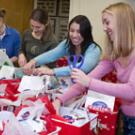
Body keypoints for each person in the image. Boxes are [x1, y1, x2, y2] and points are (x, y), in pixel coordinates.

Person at [53, 2, 135, 135]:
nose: (104, 28)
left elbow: (132, 91)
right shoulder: (114, 54)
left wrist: (89, 83)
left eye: (107, 22)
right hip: (127, 117)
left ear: (122, 22)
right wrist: (59, 99)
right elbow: (86, 80)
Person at [23, 15, 101, 77]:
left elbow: (83, 68)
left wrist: (52, 71)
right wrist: (33, 62)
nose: (74, 35)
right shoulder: (67, 44)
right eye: (72, 31)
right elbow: (52, 54)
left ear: (86, 33)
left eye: (79, 32)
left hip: (90, 90)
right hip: (73, 86)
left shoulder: (94, 50)